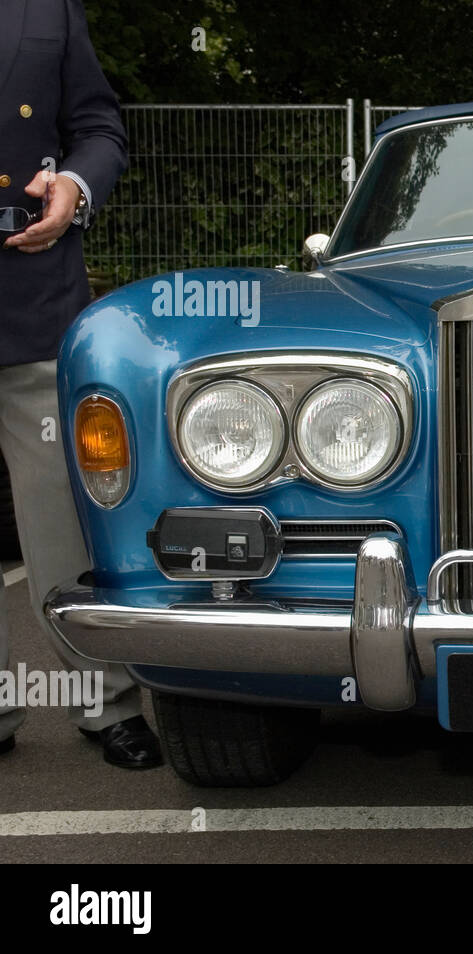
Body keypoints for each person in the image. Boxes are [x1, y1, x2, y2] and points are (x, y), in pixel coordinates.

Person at [0, 0, 161, 768]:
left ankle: (105, 702)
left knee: (62, 522)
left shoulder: (48, 8)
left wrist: (75, 186)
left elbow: (98, 127)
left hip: (33, 303)